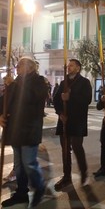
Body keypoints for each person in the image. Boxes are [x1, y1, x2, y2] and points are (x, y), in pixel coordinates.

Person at [0, 57, 48, 208]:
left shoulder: (40, 81)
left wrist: (13, 84)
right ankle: (21, 193)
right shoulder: (15, 82)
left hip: (29, 129)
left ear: (30, 67)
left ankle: (39, 187)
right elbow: (4, 101)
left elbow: (31, 98)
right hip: (14, 129)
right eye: (17, 65)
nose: (17, 67)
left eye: (20, 65)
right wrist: (1, 114)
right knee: (19, 165)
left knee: (29, 163)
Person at [53, 59, 92, 190]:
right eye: (68, 65)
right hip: (64, 120)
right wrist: (59, 113)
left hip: (77, 121)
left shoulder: (85, 82)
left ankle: (84, 172)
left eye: (71, 65)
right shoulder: (64, 82)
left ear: (78, 68)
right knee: (65, 150)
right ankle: (66, 176)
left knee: (77, 147)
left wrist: (71, 96)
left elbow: (87, 99)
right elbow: (56, 99)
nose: (68, 67)